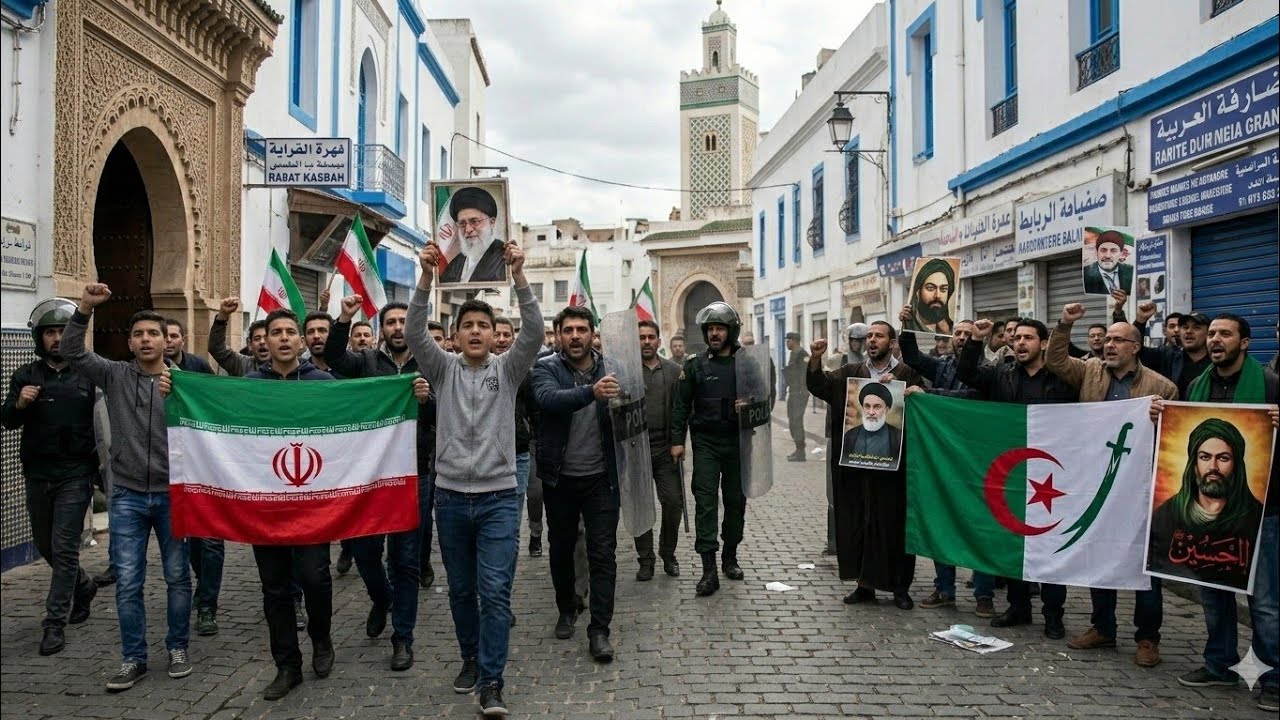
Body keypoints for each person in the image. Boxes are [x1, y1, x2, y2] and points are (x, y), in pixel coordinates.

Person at [405, 239, 542, 718]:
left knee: (495, 591)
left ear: (492, 333)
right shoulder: (442, 371)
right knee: (461, 591)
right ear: (457, 336)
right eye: (469, 326)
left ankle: (492, 681)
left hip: (499, 499)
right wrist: (425, 276)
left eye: (484, 325)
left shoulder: (507, 371)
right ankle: (468, 657)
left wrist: (520, 276)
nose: (478, 331)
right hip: (449, 500)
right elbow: (413, 331)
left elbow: (535, 334)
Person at [60, 283, 191, 692]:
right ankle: (133, 658)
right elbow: (72, 353)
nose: (147, 340)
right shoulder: (114, 375)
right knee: (129, 580)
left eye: (154, 333)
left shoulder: (186, 383)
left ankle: (178, 648)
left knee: (176, 576)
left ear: (166, 341)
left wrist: (179, 395)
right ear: (130, 342)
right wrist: (83, 309)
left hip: (172, 495)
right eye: (139, 335)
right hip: (128, 496)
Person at [1150, 314, 1278, 712]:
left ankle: (1273, 678)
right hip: (1207, 512)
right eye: (1212, 335)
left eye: (1224, 334)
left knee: (1265, 601)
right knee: (1213, 593)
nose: (1214, 340)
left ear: (1245, 343)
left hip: (1263, 511)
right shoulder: (1196, 385)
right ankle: (1219, 663)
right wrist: (1162, 415)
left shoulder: (1271, 385)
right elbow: (1181, 432)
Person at [1047, 303, 1177, 668]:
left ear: (1135, 347)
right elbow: (1056, 361)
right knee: (1099, 554)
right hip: (1097, 482)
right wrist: (1064, 325)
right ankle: (1102, 627)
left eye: (1119, 340)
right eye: (1107, 339)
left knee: (1143, 565)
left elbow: (1177, 438)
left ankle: (1148, 638)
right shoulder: (1089, 371)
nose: (1109, 345)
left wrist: (1163, 416)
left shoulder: (1161, 386)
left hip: (1141, 489)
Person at [322, 297, 434, 671]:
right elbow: (335, 357)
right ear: (382, 329)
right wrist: (344, 318)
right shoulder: (367, 361)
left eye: (405, 321)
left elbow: (446, 410)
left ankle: (403, 637)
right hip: (368, 478)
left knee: (405, 561)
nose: (398, 327)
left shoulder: (432, 363)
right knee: (366, 552)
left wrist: (427, 401)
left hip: (413, 474)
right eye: (391, 322)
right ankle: (381, 598)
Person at [958, 317, 1078, 639]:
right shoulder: (1002, 373)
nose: (1020, 343)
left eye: (1029, 338)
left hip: (1051, 474)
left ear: (1043, 343)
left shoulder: (1063, 377)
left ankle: (1053, 614)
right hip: (1012, 472)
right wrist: (974, 341)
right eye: (1017, 338)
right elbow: (966, 374)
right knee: (1013, 540)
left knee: (1050, 544)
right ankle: (1018, 606)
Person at [2, 298, 100, 656]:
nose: (57, 338)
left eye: (63, 331)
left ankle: (54, 623)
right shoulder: (26, 375)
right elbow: (7, 420)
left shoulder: (89, 375)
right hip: (38, 473)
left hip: (75, 474)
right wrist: (19, 404)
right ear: (38, 338)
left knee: (63, 547)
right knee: (46, 545)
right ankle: (83, 586)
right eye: (50, 332)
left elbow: (105, 426)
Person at [808, 322, 923, 609]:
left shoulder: (906, 375)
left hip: (895, 470)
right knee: (861, 523)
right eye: (869, 336)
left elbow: (925, 408)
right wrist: (815, 358)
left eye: (879, 336)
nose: (872, 340)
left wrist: (915, 394)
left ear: (892, 342)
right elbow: (820, 385)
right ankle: (864, 585)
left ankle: (899, 587)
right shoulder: (851, 374)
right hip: (858, 469)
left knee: (894, 526)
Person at [531, 306, 624, 663]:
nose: (575, 336)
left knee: (603, 554)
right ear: (557, 334)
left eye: (581, 329)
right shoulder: (546, 368)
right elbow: (547, 399)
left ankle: (599, 630)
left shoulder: (612, 366)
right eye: (568, 329)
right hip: (561, 479)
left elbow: (633, 404)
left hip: (602, 479)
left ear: (592, 334)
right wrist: (592, 392)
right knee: (562, 549)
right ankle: (566, 606)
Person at [897, 308, 994, 617]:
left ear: (979, 338)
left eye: (968, 334)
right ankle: (945, 589)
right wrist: (907, 323)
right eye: (959, 334)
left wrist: (928, 395)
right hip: (943, 460)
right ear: (951, 339)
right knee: (943, 522)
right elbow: (912, 357)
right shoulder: (942, 366)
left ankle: (984, 594)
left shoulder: (990, 370)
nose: (963, 339)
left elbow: (972, 398)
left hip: (977, 460)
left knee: (980, 526)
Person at [670, 302, 753, 597]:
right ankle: (708, 571)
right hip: (705, 442)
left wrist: (750, 405)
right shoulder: (694, 365)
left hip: (738, 443)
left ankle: (729, 556)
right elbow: (680, 406)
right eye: (710, 329)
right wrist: (678, 441)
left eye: (720, 328)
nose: (715, 334)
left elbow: (763, 400)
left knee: (735, 502)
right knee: (705, 501)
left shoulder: (747, 363)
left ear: (731, 331)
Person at [162, 319, 224, 637]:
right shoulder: (139, 374)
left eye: (174, 336)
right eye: (165, 336)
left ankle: (206, 606)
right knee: (186, 544)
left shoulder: (197, 367)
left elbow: (214, 403)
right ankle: (198, 588)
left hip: (203, 465)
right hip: (167, 471)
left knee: (210, 539)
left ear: (183, 340)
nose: (169, 341)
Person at [637, 320, 684, 578]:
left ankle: (668, 553)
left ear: (658, 340)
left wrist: (679, 442)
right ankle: (646, 559)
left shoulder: (674, 371)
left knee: (673, 502)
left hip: (666, 451)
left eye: (650, 337)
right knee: (641, 508)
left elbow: (681, 411)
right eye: (641, 337)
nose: (646, 342)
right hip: (637, 451)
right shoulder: (628, 372)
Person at [824, 323, 869, 556]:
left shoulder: (868, 364)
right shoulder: (836, 361)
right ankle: (833, 540)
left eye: (863, 340)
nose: (859, 344)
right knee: (833, 490)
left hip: (860, 430)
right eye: (856, 339)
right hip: (837, 428)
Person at [1135, 306, 1211, 398]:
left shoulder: (1218, 361)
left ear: (1208, 333)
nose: (1189, 331)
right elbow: (1136, 351)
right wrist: (1140, 322)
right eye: (1185, 327)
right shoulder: (1169, 356)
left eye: (1196, 327)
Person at [439, 186, 507, 284]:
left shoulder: (505, 257)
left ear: (491, 222)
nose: (468, 229)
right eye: (462, 223)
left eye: (474, 221)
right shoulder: (455, 264)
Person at [208, 299, 266, 376]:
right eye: (257, 338)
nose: (262, 342)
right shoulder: (242, 365)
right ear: (250, 344)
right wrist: (223, 315)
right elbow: (217, 349)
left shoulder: (286, 367)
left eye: (266, 338)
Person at [906, 258, 956, 334]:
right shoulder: (909, 324)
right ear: (918, 291)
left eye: (943, 289)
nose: (937, 295)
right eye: (930, 288)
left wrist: (947, 334)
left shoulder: (954, 329)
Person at [1083, 229, 1135, 295]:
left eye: (1113, 251)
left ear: (1121, 253)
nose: (1108, 256)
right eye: (1103, 250)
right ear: (1096, 252)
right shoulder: (1086, 274)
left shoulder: (1131, 272)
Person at [783, 332, 809, 462]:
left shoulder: (802, 354)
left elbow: (804, 374)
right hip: (793, 392)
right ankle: (798, 449)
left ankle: (800, 452)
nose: (786, 343)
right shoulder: (794, 353)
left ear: (794, 341)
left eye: (788, 340)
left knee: (796, 421)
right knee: (793, 421)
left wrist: (802, 393)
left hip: (799, 393)